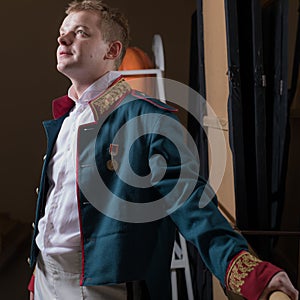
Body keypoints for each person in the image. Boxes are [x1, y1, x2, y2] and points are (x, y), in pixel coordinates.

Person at [28, 0, 299, 299]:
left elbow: (191, 201)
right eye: (63, 32)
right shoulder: (64, 120)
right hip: (43, 276)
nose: (63, 39)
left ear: (112, 51)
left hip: (101, 285)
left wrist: (248, 271)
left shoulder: (147, 118)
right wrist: (36, 280)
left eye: (80, 32)